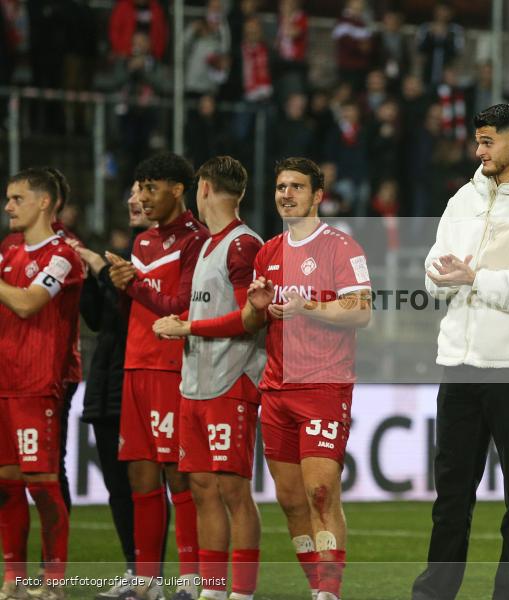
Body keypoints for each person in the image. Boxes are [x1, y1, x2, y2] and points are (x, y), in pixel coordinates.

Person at [412, 104, 509, 600]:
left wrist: (475, 278)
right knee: (450, 496)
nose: (478, 150)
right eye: (477, 141)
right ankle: (434, 593)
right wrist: (440, 278)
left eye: (487, 141)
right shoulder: (463, 198)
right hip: (459, 363)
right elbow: (430, 273)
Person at [238, 157, 372, 600]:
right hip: (276, 390)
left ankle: (329, 593)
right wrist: (258, 306)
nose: (286, 194)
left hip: (324, 387)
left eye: (296, 187)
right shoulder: (268, 252)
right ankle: (317, 587)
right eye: (280, 186)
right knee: (291, 500)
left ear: (317, 196)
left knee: (319, 491)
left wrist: (307, 306)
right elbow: (251, 321)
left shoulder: (341, 248)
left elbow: (361, 311)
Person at [151, 156, 265, 600]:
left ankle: (241, 591)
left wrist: (189, 328)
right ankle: (213, 589)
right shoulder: (207, 245)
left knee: (233, 489)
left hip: (231, 381)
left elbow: (249, 318)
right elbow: (208, 308)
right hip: (194, 381)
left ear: (202, 188)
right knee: (201, 487)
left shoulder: (242, 245)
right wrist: (181, 320)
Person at [107, 153, 209, 600]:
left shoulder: (196, 241)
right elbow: (145, 302)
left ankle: (190, 578)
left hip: (171, 367)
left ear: (176, 189)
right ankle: (145, 580)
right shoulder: (143, 242)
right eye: (139, 187)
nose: (142, 197)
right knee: (141, 477)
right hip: (136, 366)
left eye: (151, 187)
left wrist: (132, 285)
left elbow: (181, 305)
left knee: (177, 474)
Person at [0, 168, 84, 600]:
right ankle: (13, 579)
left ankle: (54, 581)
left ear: (44, 202)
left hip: (40, 381)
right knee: (6, 484)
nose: (9, 206)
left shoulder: (63, 254)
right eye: (8, 198)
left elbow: (30, 302)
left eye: (16, 198)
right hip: (4, 381)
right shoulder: (8, 249)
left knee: (42, 484)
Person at [70, 182, 150, 599]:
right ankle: (135, 571)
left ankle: (165, 576)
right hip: (105, 381)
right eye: (133, 192)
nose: (134, 198)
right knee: (119, 487)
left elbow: (137, 310)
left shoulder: (157, 252)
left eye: (143, 191)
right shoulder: (128, 249)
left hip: (139, 382)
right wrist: (90, 278)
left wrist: (101, 271)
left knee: (147, 484)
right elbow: (101, 321)